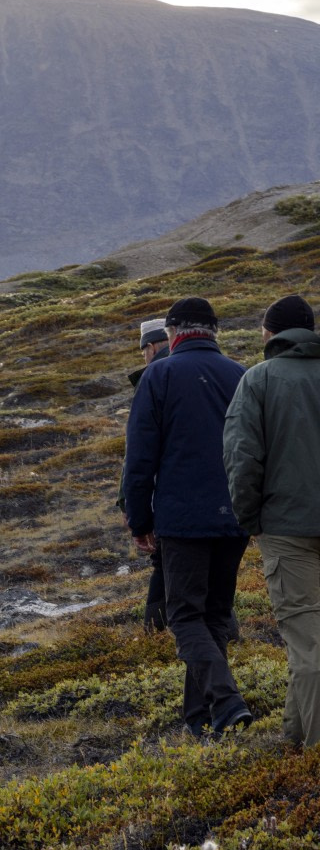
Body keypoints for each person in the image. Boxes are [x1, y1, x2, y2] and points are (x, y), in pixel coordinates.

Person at [123, 296, 253, 737]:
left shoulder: (158, 374)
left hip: (182, 519)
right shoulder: (242, 375)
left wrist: (139, 521)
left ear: (174, 333)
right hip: (236, 515)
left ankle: (227, 700)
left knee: (184, 616)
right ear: (214, 332)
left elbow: (140, 458)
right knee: (215, 614)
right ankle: (202, 718)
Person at [224, 294, 320, 747]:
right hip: (292, 526)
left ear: (270, 333)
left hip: (286, 530)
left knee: (309, 643)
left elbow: (243, 459)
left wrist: (249, 518)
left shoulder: (258, 380)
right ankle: (293, 740)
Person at [127, 318, 171, 633]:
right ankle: (229, 636)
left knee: (165, 567)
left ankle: (154, 635)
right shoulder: (221, 371)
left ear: (151, 347)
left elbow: (140, 456)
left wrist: (137, 517)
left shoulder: (153, 379)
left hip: (171, 504)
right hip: (224, 504)